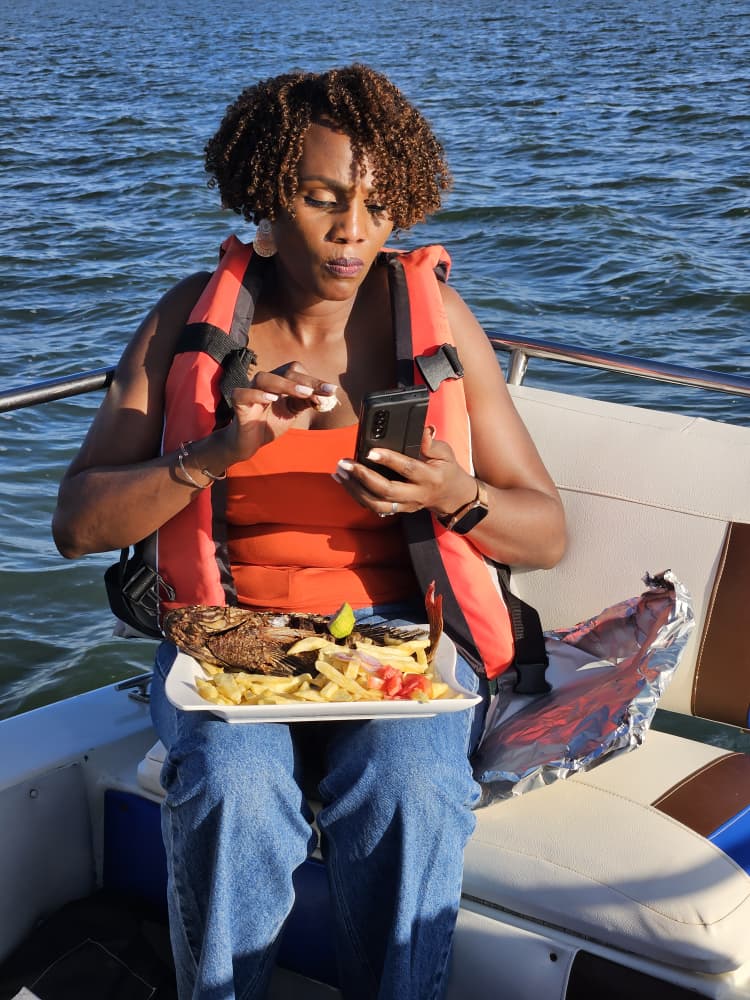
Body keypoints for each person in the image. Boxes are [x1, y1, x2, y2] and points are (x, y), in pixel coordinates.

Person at [52, 65, 566, 1000]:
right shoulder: (185, 322)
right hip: (230, 638)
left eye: (377, 205)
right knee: (235, 787)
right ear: (266, 196)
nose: (353, 231)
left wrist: (452, 492)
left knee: (412, 787)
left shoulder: (438, 322)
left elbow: (546, 534)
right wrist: (216, 451)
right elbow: (77, 525)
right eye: (322, 198)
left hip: (397, 642)